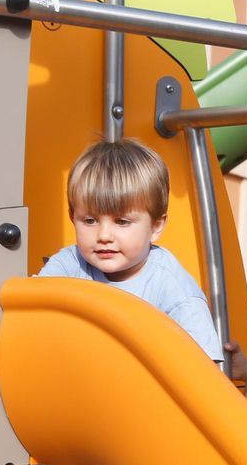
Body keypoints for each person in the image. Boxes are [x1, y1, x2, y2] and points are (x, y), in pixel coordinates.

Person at [38, 138, 224, 364]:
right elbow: (37, 307)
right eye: (89, 220)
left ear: (156, 226)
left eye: (122, 222)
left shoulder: (171, 288)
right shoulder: (70, 263)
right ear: (72, 218)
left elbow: (205, 370)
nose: (104, 235)